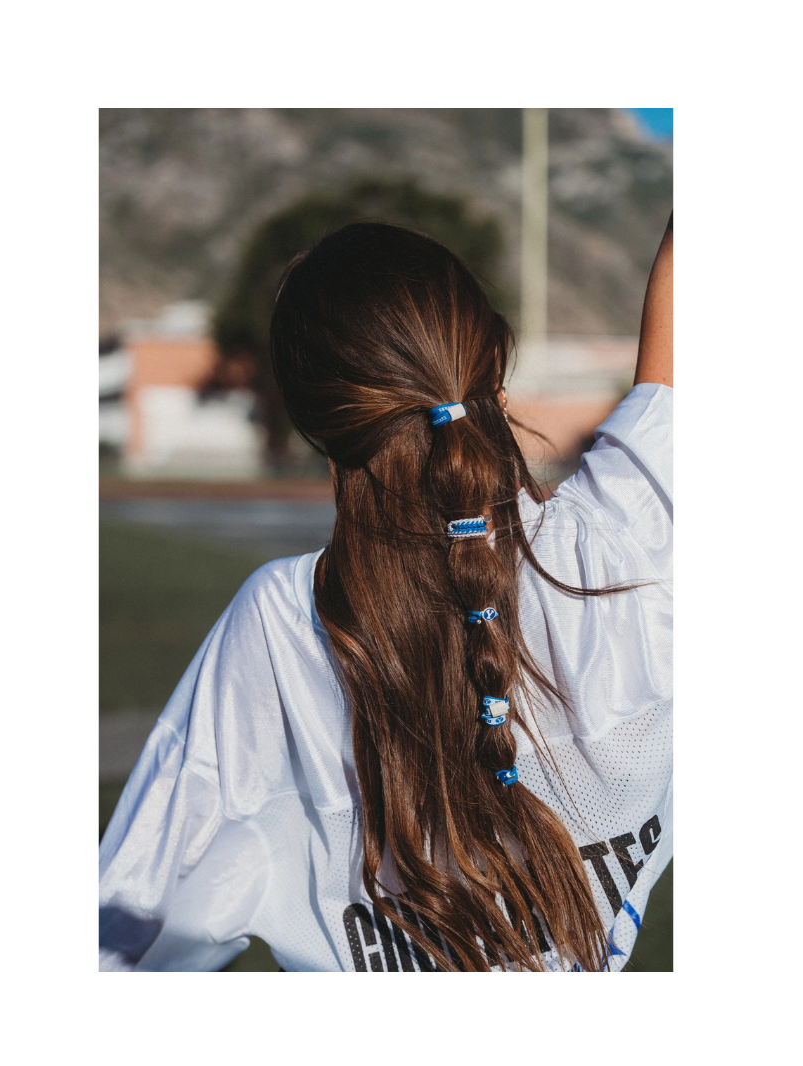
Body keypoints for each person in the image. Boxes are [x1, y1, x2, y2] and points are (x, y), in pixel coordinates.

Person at [99, 217, 673, 972]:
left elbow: (118, 942)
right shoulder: (632, 540)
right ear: (494, 362)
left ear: (317, 424)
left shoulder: (279, 632)